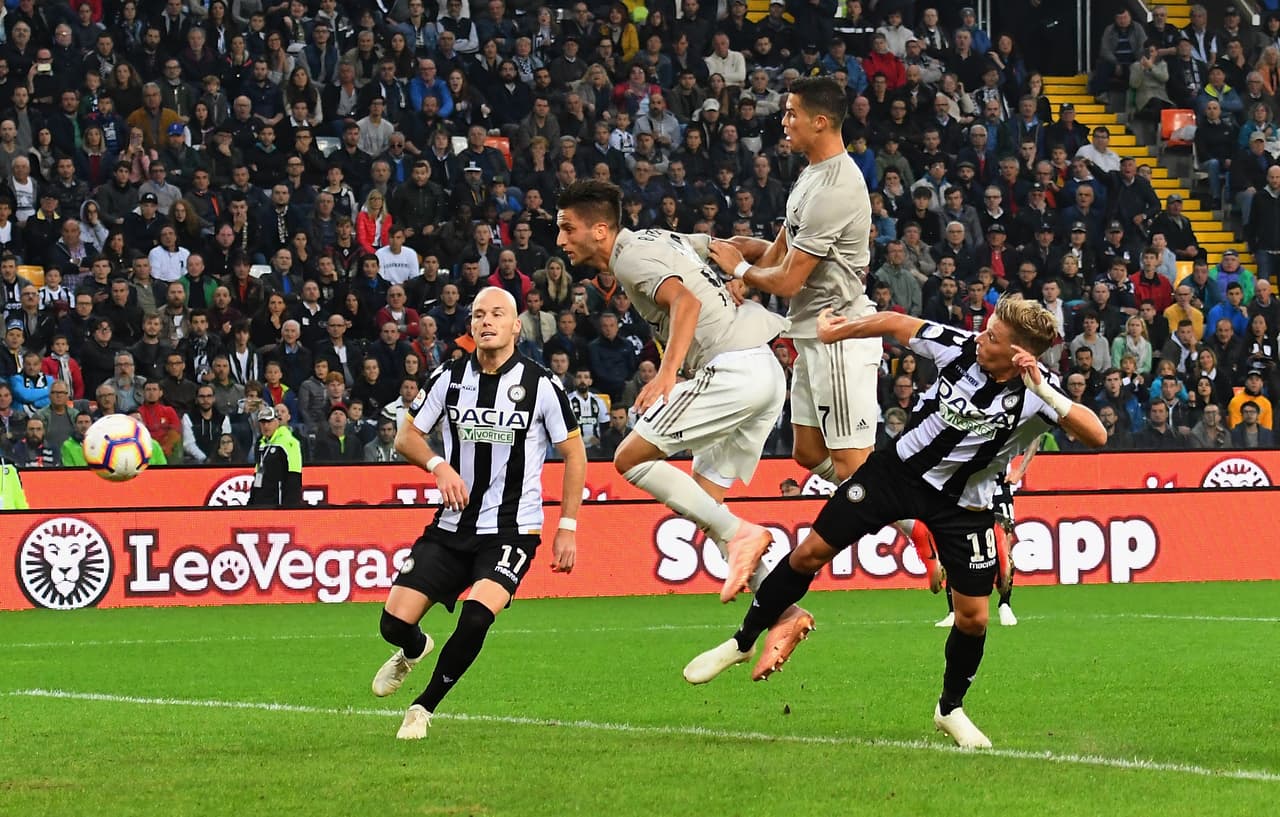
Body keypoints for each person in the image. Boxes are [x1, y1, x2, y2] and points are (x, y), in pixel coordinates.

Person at [682, 299, 1106, 750]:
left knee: (974, 618)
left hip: (964, 507)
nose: (982, 338)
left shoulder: (1038, 393)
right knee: (809, 553)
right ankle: (744, 641)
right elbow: (895, 323)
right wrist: (836, 332)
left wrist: (1045, 392)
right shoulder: (960, 346)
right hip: (895, 476)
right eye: (986, 330)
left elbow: (1097, 435)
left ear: (1020, 354)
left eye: (994, 338)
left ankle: (949, 709)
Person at [556, 180, 787, 602]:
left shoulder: (631, 258)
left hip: (732, 369)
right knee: (704, 503)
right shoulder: (658, 237)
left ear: (600, 230)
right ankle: (778, 607)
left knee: (630, 458)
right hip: (764, 366)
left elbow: (686, 302)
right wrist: (746, 277)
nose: (560, 240)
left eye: (568, 228)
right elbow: (736, 247)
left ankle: (745, 534)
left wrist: (667, 373)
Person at [371, 287, 584, 741]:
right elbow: (406, 437)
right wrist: (439, 465)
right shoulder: (449, 377)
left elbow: (575, 453)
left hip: (512, 530)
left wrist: (567, 527)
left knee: (476, 617)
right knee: (393, 624)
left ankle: (422, 707)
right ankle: (414, 649)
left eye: (497, 314)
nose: (487, 321)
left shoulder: (541, 384)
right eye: (479, 315)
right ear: (470, 326)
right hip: (452, 526)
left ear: (515, 326)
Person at [706, 77, 879, 490]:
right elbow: (785, 250)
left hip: (839, 335)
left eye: (791, 113)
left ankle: (921, 519)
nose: (784, 121)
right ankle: (889, 509)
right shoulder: (812, 174)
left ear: (819, 122)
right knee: (808, 452)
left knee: (853, 464)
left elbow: (788, 280)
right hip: (811, 332)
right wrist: (749, 260)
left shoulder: (837, 187)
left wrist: (741, 270)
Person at [247, 404, 302, 506]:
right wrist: (252, 501)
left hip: (278, 502)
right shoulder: (261, 444)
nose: (266, 426)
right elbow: (258, 474)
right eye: (263, 422)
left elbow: (294, 475)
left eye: (269, 422)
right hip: (261, 500)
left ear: (277, 422)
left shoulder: (289, 442)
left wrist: (290, 505)